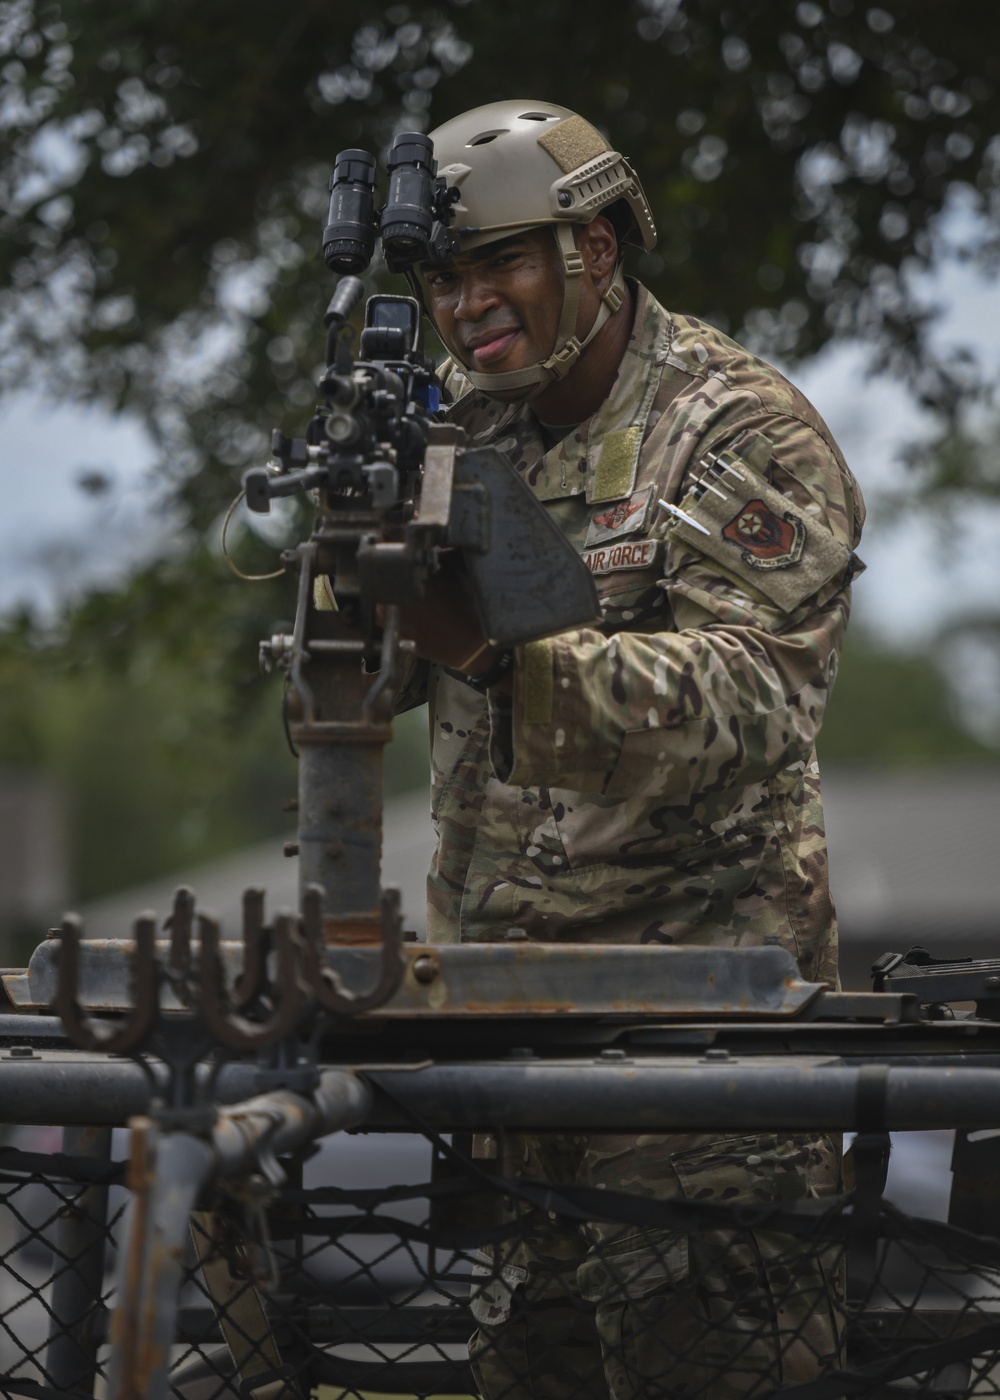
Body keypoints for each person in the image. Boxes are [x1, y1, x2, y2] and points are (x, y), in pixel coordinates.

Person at [393, 100, 865, 1400]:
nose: (469, 304)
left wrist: (491, 657)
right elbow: (374, 683)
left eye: (503, 262)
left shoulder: (732, 427)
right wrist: (350, 569)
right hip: (504, 1046)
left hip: (696, 1065)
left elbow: (757, 698)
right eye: (446, 276)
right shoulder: (463, 429)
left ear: (595, 250)